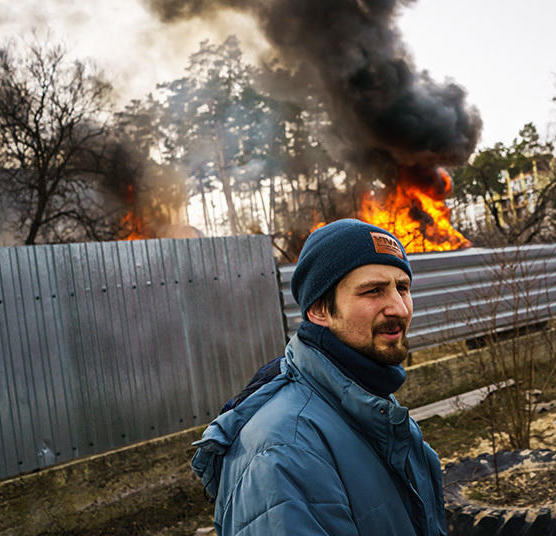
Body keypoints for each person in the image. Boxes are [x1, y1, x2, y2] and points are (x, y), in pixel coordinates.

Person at [191, 219, 447, 536]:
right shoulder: (287, 446)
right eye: (373, 291)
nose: (399, 307)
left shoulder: (368, 401)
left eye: (403, 288)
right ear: (319, 311)